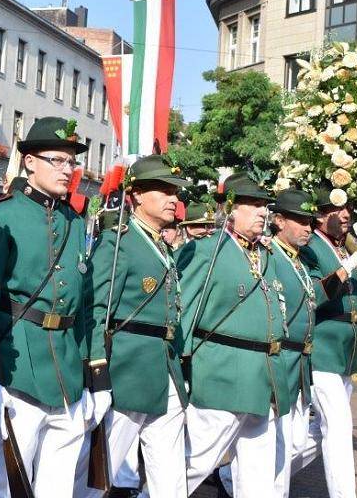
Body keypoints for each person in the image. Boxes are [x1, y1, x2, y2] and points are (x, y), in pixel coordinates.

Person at [0, 117, 107, 497]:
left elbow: (86, 304)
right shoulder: (2, 215)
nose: (67, 170)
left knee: (58, 488)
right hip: (17, 366)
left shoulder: (74, 221)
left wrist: (96, 377)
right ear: (30, 162)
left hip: (67, 372)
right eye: (58, 160)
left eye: (72, 162)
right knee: (6, 487)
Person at [79, 154, 189, 496]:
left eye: (175, 192)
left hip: (164, 368)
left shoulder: (160, 244)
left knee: (170, 480)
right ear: (137, 195)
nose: (173, 198)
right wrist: (97, 369)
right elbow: (97, 308)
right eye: (164, 190)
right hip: (127, 370)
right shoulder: (118, 243)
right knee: (100, 471)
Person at [180, 173, 291, 497]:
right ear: (229, 209)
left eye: (264, 206)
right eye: (253, 205)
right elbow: (185, 311)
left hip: (263, 375)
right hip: (222, 372)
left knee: (258, 473)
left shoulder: (265, 254)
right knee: (196, 462)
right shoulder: (206, 250)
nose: (262, 212)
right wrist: (180, 369)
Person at [218, 188, 319, 498]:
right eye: (301, 221)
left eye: (311, 222)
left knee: (294, 443)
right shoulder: (269, 254)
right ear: (280, 221)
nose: (308, 228)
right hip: (276, 359)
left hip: (298, 362)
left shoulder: (299, 260)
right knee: (271, 447)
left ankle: (229, 476)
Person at [294, 187, 357, 498]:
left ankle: (233, 475)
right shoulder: (311, 248)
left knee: (320, 430)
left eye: (349, 208)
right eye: (339, 209)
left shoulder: (343, 249)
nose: (347, 214)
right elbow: (313, 295)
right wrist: (345, 268)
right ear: (321, 215)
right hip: (321, 347)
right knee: (338, 426)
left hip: (345, 352)